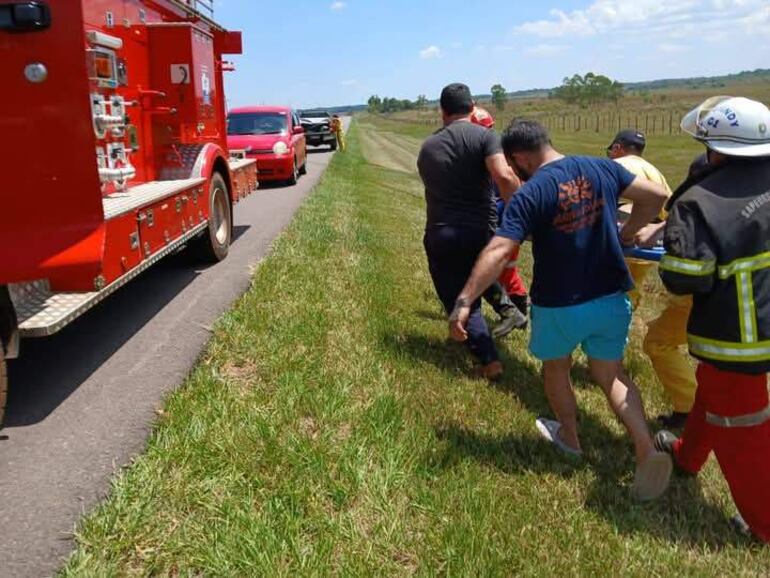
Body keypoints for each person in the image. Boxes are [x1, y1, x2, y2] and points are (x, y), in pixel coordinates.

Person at [449, 119, 672, 500]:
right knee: (611, 374)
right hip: (610, 295)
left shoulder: (530, 193)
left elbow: (499, 249)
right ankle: (645, 449)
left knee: (557, 369)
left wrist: (465, 299)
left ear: (519, 157)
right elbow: (655, 197)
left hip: (559, 304)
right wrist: (627, 232)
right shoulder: (602, 167)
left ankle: (570, 438)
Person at [653, 96, 770, 543]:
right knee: (714, 391)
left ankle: (764, 524)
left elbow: (686, 278)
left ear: (716, 149)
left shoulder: (699, 201)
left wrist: (671, 253)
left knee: (742, 425)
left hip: (739, 336)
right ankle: (687, 456)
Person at [417, 84, 521, 380]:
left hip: (441, 231)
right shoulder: (485, 137)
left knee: (460, 298)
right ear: (472, 106)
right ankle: (504, 316)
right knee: (474, 283)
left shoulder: (428, 147)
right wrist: (520, 212)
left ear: (442, 111)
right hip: (481, 230)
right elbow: (503, 175)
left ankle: (489, 361)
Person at [608, 129, 697, 429]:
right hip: (648, 250)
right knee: (629, 296)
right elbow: (670, 210)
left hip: (627, 245)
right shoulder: (655, 171)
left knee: (616, 299)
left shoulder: (620, 167)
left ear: (618, 148)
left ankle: (609, 359)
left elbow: (613, 208)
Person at [470, 105, 530, 336]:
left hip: (504, 227)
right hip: (500, 226)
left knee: (502, 271)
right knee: (506, 272)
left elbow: (512, 193)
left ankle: (518, 315)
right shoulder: (492, 157)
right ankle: (518, 316)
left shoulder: (499, 162)